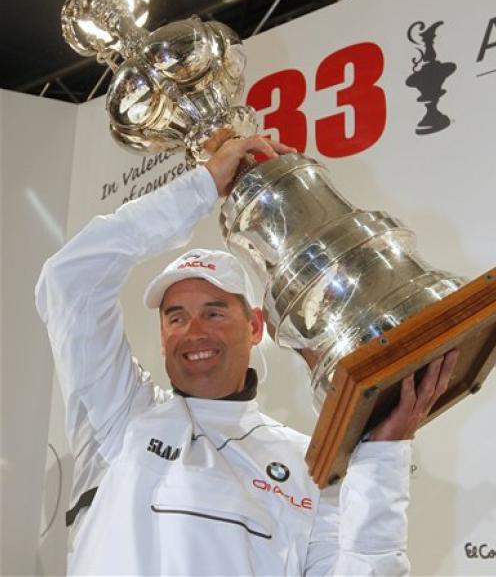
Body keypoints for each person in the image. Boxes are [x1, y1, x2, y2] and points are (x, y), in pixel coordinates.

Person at [35, 133, 457, 576]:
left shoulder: (308, 464)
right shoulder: (120, 417)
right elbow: (70, 280)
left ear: (255, 326)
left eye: (214, 313)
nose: (192, 332)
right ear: (162, 336)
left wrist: (383, 457)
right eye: (175, 317)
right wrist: (201, 187)